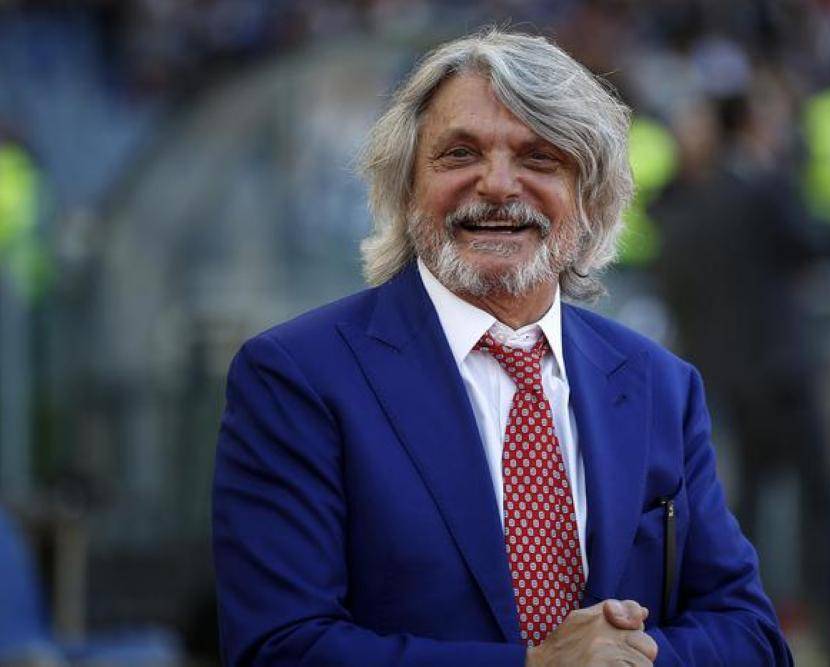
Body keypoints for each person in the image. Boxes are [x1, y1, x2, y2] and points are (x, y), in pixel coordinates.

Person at [212, 29, 791, 667]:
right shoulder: (296, 378)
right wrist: (537, 666)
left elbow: (751, 636)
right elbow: (281, 648)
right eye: (460, 154)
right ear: (406, 191)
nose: (497, 184)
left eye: (539, 158)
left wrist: (634, 660)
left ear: (590, 199)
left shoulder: (661, 383)